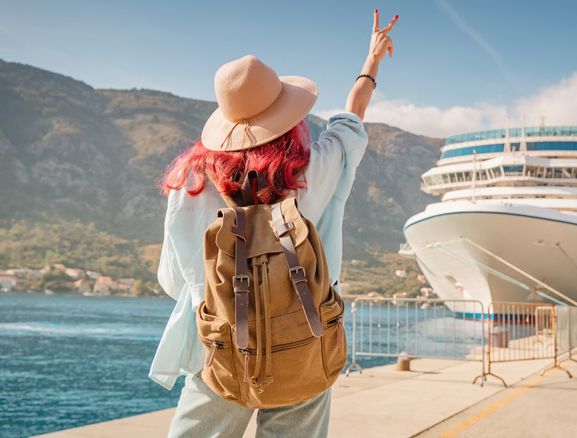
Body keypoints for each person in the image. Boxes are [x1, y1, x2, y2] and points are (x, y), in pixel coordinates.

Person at [148, 11, 398, 437]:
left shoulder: (190, 184)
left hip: (220, 351)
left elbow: (174, 280)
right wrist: (370, 64)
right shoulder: (316, 167)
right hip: (305, 341)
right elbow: (350, 121)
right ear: (288, 115)